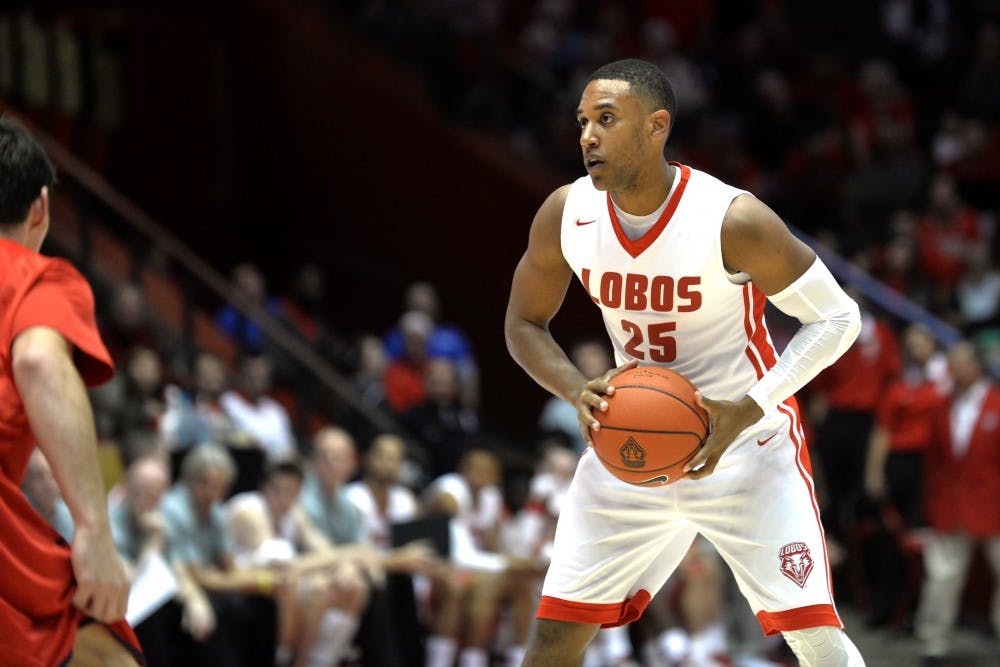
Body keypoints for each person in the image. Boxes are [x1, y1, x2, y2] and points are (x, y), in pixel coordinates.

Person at [504, 59, 864, 666]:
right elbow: (522, 322)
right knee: (554, 637)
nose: (588, 135)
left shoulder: (731, 218)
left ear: (656, 126)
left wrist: (747, 409)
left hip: (746, 447)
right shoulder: (566, 213)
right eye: (583, 121)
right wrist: (575, 389)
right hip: (630, 441)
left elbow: (837, 319)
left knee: (816, 640)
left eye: (607, 120)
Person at [0, 117, 141, 666]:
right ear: (40, 208)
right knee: (102, 655)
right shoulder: (36, 277)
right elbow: (38, 361)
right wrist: (93, 531)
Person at [914, 342, 1000, 661]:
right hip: (950, 507)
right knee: (941, 579)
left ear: (977, 366)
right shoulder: (941, 406)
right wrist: (933, 502)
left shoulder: (997, 402)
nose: (952, 369)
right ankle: (933, 642)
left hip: (994, 505)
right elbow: (933, 461)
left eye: (959, 363)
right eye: (951, 363)